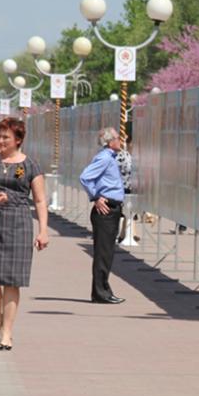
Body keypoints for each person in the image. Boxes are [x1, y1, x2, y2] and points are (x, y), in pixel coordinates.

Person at [0, 117, 48, 350]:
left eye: (6, 137)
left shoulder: (31, 165)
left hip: (20, 224)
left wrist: (43, 230)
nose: (1, 141)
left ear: (18, 140)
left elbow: (39, 199)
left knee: (12, 281)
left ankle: (7, 332)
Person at [79, 127, 127, 304]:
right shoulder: (105, 158)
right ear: (110, 141)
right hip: (105, 209)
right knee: (103, 252)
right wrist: (96, 197)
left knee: (107, 253)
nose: (121, 141)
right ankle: (100, 292)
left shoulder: (111, 158)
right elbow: (85, 177)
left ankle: (103, 289)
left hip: (112, 208)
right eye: (118, 138)